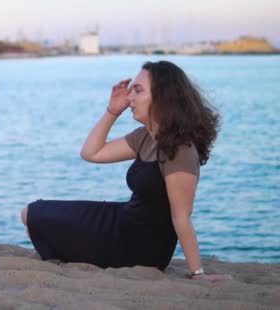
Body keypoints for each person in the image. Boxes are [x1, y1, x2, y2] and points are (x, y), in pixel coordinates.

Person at [21, 61, 231, 281]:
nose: (130, 98)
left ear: (162, 97)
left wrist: (198, 273)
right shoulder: (145, 137)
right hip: (123, 219)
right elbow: (92, 153)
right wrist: (112, 111)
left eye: (138, 91)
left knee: (35, 218)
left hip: (140, 247)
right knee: (31, 213)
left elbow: (182, 216)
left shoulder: (181, 150)